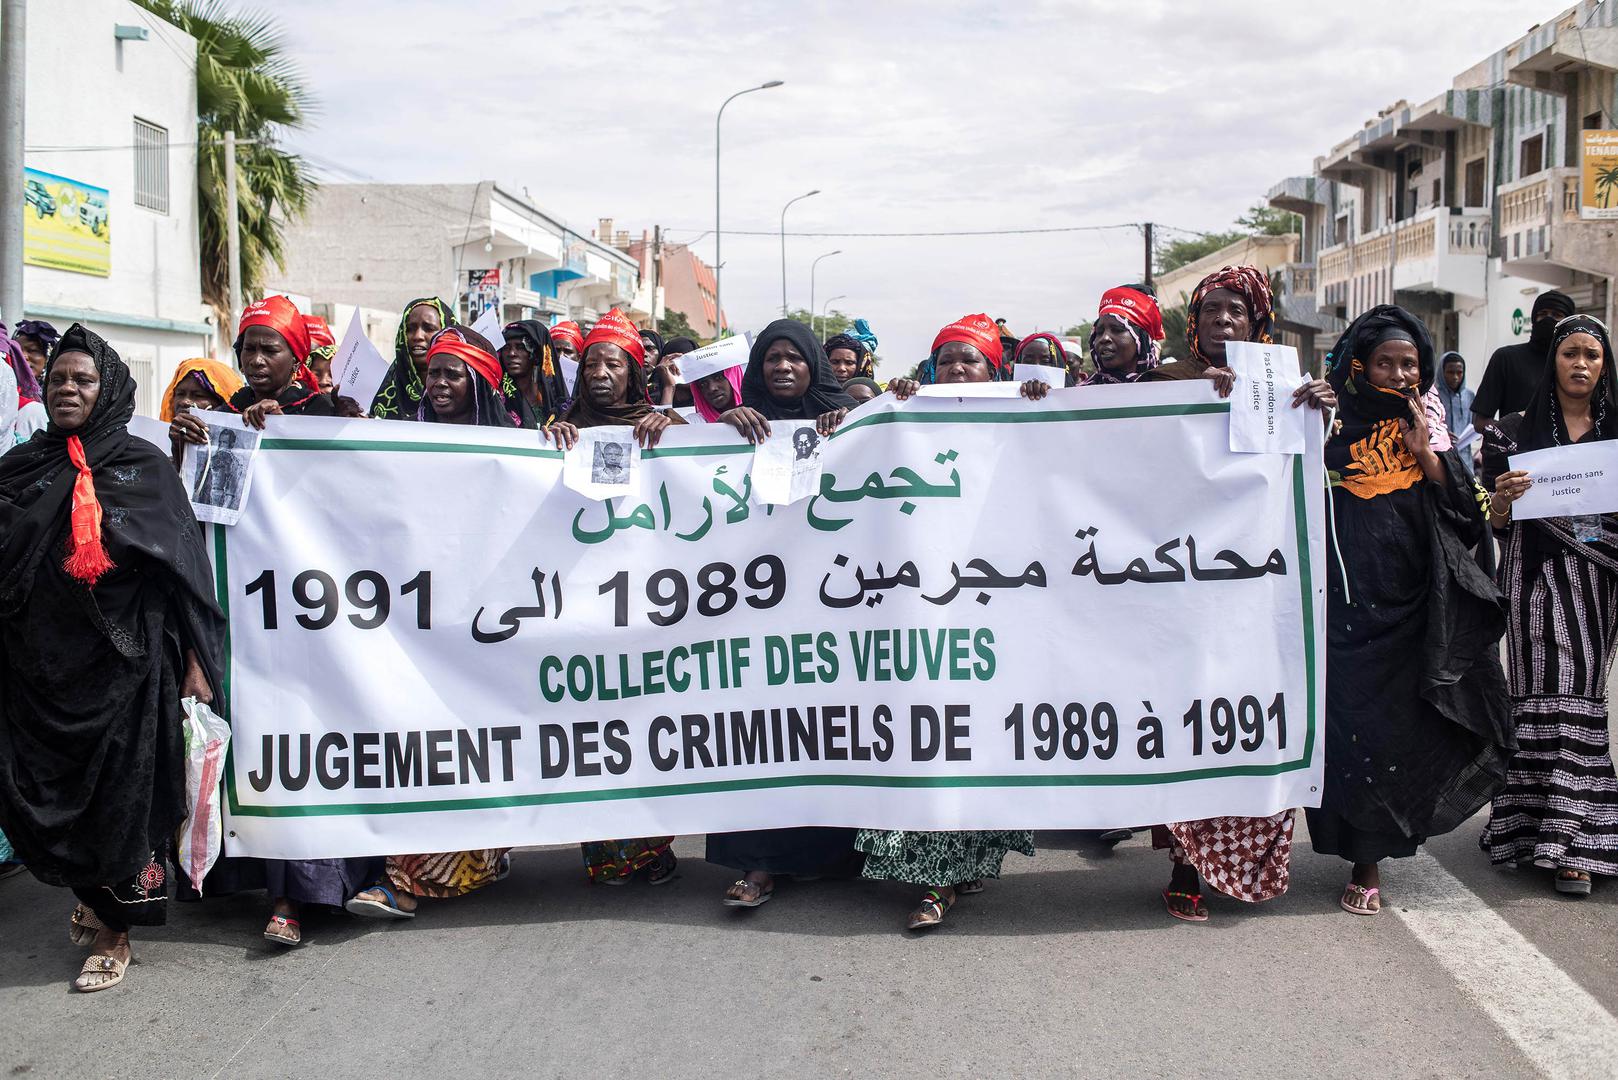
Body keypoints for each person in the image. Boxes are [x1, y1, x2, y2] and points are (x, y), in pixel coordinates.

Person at [0, 324, 224, 992]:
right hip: (38, 673)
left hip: (127, 668)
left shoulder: (142, 467)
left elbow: (185, 572)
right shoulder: (22, 467)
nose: (67, 389)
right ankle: (91, 896)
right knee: (45, 795)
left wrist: (197, 663)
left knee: (123, 802)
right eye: (58, 379)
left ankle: (115, 929)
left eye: (83, 379)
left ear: (109, 389)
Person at [177, 300, 378, 944]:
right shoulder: (222, 422)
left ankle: (311, 891)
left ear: (298, 356)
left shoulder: (328, 414)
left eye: (272, 350)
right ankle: (268, 887)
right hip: (250, 619)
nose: (258, 361)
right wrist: (186, 448)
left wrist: (299, 432)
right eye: (249, 349)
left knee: (315, 745)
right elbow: (203, 522)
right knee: (265, 749)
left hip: (321, 618)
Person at [837, 314, 1044, 929]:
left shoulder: (1023, 417)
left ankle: (961, 863)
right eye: (946, 360)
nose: (957, 369)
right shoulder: (906, 417)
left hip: (994, 608)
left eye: (970, 360)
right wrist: (890, 407)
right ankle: (937, 880)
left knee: (980, 741)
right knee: (928, 736)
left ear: (993, 369)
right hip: (916, 610)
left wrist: (1041, 402)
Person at [1143, 267, 1336, 922]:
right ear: (1193, 324)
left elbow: (1304, 474)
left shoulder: (1286, 387)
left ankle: (1245, 859)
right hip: (1179, 582)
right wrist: (1197, 398)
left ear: (1258, 325)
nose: (1222, 321)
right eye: (1211, 311)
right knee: (1187, 721)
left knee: (1253, 719)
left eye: (1236, 312)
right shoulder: (1163, 383)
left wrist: (1319, 412)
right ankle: (1184, 866)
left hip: (1257, 585)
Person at [1307, 306, 1512, 915]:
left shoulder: (1431, 427)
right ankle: (1356, 849)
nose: (1399, 375)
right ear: (1359, 367)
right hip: (1344, 612)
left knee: (1400, 734)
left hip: (1416, 610)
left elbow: (1470, 516)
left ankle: (1371, 859)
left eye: (1410, 365)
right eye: (1385, 364)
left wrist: (1425, 455)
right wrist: (1306, 418)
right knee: (1353, 735)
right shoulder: (1326, 423)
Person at [343, 327, 519, 919]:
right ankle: (405, 876)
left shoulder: (516, 448)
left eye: (453, 374)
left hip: (489, 627)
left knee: (480, 746)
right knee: (421, 742)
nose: (438, 384)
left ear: (480, 382)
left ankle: (473, 859)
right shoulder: (402, 439)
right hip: (418, 623)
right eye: (433, 373)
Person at [542, 309, 683, 886]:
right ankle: (604, 852)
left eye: (613, 364)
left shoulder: (660, 425)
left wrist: (671, 426)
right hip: (578, 603)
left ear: (633, 373)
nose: (600, 373)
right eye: (591, 364)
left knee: (643, 724)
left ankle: (652, 849)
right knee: (592, 730)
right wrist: (545, 443)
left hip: (645, 604)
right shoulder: (558, 428)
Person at [1481, 314, 1618, 897]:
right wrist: (1503, 500)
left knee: (1579, 697)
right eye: (1570, 353)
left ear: (1605, 365)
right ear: (1553, 361)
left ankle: (1574, 840)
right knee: (1538, 697)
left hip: (1595, 586)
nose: (1581, 364)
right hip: (1531, 584)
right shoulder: (1512, 435)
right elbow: (1494, 522)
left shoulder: (1616, 435)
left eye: (1592, 354)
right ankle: (1534, 833)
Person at [1472, 290, 1576, 434]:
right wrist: (1511, 434)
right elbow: (1480, 422)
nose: (1548, 319)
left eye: (1557, 315)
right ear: (1534, 319)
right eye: (1542, 314)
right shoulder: (1506, 358)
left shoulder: (1577, 366)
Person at [371, 297, 454, 420]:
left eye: (429, 328)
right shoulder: (383, 389)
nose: (417, 336)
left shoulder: (465, 390)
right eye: (410, 329)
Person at [160, 358, 245, 468]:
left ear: (222, 402)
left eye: (198, 395)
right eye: (180, 394)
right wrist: (177, 447)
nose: (185, 402)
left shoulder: (239, 454)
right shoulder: (158, 447)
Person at [1084, 284, 1163, 385]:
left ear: (1142, 338)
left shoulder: (1168, 387)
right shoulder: (1082, 392)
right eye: (1099, 332)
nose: (1104, 338)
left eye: (1117, 330)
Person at [500, 320, 570, 424]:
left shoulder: (555, 400)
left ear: (537, 354)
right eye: (506, 347)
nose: (512, 353)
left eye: (520, 347)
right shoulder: (496, 399)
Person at [3, 327, 47, 450]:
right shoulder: (8, 398)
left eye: (32, 351)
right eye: (16, 350)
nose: (23, 356)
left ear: (47, 358)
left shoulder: (56, 395)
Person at [1436, 352, 1474, 443]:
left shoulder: (1470, 396)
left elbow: (1475, 425)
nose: (1455, 377)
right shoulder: (1433, 395)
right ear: (1442, 372)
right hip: (1440, 448)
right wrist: (1441, 434)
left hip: (1464, 450)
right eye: (1450, 372)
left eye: (1459, 372)